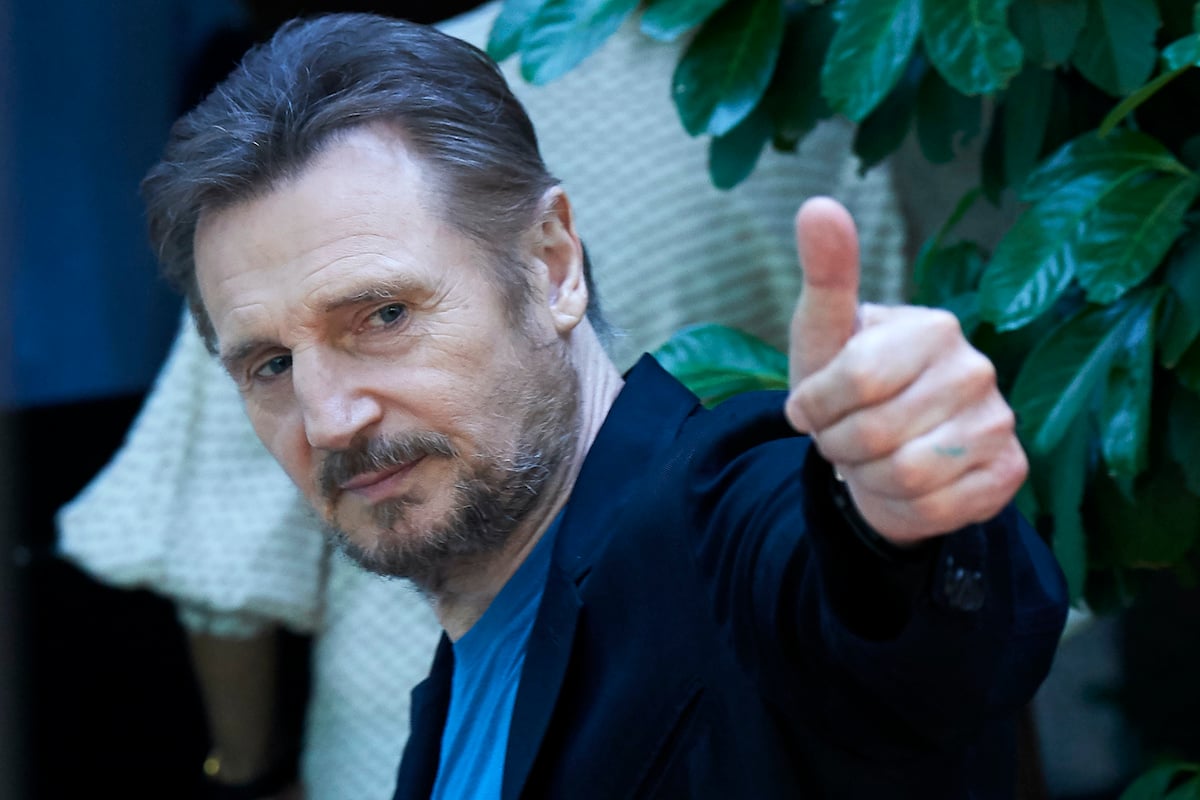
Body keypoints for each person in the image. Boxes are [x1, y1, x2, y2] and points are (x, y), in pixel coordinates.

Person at [128, 10, 1068, 799]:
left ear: (552, 267)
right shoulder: (456, 694)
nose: (330, 418)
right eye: (271, 365)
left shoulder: (716, 531)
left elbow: (852, 590)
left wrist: (898, 519)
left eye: (383, 316)